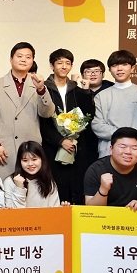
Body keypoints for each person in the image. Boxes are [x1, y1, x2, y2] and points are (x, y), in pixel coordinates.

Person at [0, 42, 55, 178]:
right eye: (19, 56)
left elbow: (47, 113)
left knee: (31, 187)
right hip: (4, 150)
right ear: (11, 59)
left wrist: (41, 90)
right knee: (4, 187)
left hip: (31, 151)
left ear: (32, 61)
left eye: (28, 57)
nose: (23, 60)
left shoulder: (38, 84)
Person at [39, 48, 96, 205]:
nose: (64, 66)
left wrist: (86, 92)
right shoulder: (44, 89)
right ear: (52, 66)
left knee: (77, 185)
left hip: (76, 145)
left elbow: (88, 115)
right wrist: (60, 140)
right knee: (56, 186)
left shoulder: (76, 89)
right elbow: (42, 120)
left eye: (68, 63)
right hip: (52, 146)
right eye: (60, 63)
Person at [91, 50, 137, 161]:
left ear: (132, 68)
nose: (119, 69)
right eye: (115, 65)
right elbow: (97, 125)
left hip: (135, 155)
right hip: (108, 155)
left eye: (124, 64)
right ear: (109, 70)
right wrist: (124, 135)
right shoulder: (101, 96)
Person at [2, 141, 69, 208]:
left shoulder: (49, 182)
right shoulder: (10, 182)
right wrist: (19, 188)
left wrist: (62, 210)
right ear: (20, 162)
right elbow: (13, 213)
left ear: (42, 160)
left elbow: (54, 211)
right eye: (25, 160)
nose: (30, 164)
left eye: (34, 159)